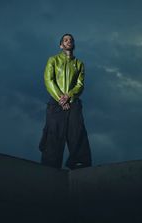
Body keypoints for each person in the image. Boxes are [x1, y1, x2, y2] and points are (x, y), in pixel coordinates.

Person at [39, 33, 92, 170]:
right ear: (61, 45)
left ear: (73, 44)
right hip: (56, 102)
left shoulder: (79, 64)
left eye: (71, 40)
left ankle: (79, 161)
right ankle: (50, 164)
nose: (68, 41)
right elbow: (48, 80)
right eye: (65, 40)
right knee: (54, 131)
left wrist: (69, 96)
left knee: (77, 130)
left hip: (73, 102)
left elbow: (80, 85)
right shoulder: (53, 60)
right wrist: (60, 98)